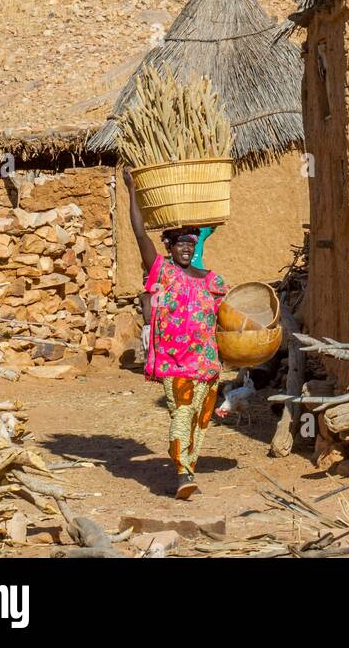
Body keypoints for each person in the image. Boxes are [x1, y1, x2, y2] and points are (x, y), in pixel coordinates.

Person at [123, 167, 227, 499]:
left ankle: (190, 466)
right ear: (169, 246)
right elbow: (139, 233)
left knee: (200, 419)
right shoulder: (163, 271)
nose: (185, 248)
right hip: (176, 362)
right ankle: (182, 473)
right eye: (180, 243)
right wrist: (132, 190)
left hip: (207, 364)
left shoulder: (211, 279)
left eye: (190, 243)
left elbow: (227, 318)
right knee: (181, 414)